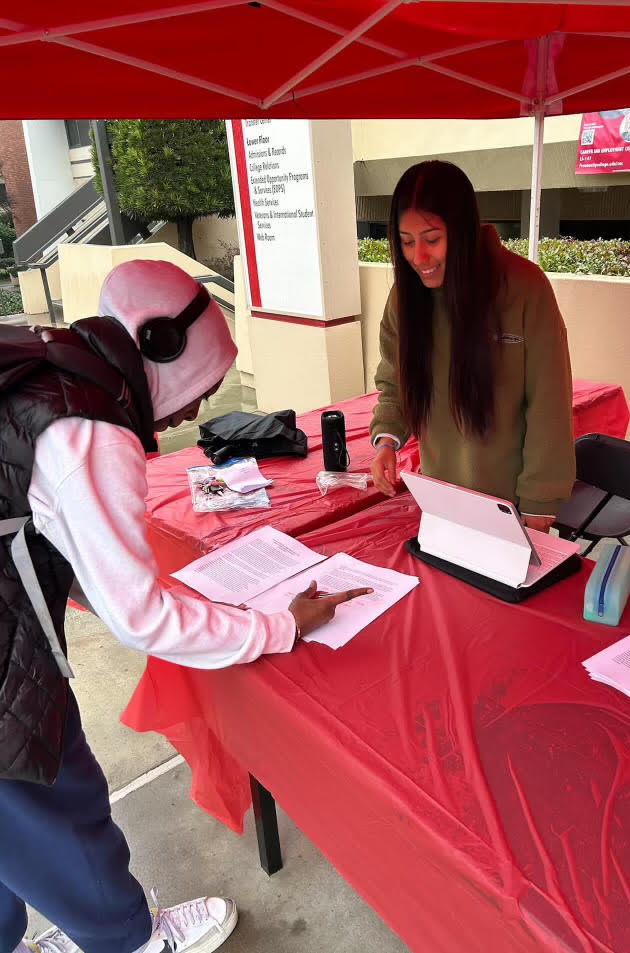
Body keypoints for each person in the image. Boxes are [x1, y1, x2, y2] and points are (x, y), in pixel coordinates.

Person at [0, 259, 370, 953]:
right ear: (160, 344)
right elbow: (140, 618)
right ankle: (131, 939)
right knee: (49, 789)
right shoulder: (91, 432)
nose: (197, 410)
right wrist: (281, 623)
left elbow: (40, 519)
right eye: (199, 386)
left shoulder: (55, 358)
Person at [370, 160, 575, 532]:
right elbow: (394, 381)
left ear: (461, 230)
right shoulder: (405, 297)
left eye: (432, 239)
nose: (418, 258)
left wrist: (540, 503)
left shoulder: (524, 288)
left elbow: (549, 403)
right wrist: (387, 440)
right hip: (438, 498)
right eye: (406, 242)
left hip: (510, 505)